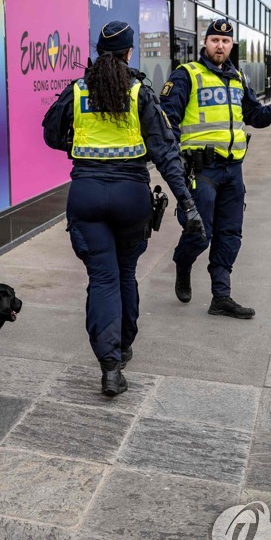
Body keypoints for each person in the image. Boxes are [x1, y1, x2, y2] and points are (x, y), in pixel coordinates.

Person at [43, 21, 204, 396]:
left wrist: (76, 146)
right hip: (131, 196)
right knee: (126, 274)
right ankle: (125, 346)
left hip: (86, 195)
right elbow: (166, 153)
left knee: (102, 279)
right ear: (130, 53)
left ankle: (110, 368)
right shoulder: (139, 94)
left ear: (99, 51)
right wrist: (188, 203)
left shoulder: (78, 90)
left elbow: (50, 133)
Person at [160, 18, 271, 318]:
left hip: (233, 170)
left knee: (230, 234)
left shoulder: (238, 78)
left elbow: (255, 115)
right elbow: (167, 122)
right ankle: (183, 263)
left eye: (225, 42)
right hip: (203, 171)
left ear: (231, 45)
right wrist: (174, 161)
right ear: (205, 43)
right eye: (215, 40)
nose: (220, 46)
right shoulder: (187, 75)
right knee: (200, 233)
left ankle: (220, 297)